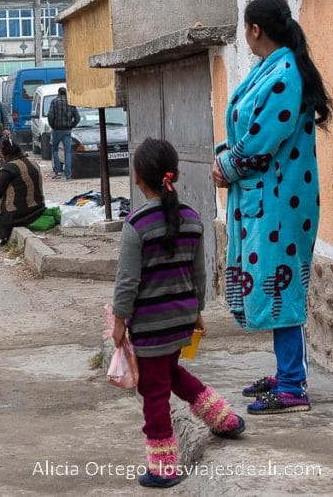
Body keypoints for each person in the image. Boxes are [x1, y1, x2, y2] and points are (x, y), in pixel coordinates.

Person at [213, 0, 332, 415]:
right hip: (268, 198)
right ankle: (286, 373)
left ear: (254, 30)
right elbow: (248, 131)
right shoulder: (272, 68)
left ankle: (293, 385)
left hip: (282, 202)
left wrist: (226, 166)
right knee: (273, 282)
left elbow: (261, 142)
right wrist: (226, 158)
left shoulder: (284, 76)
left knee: (283, 287)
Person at [113, 138, 245, 488]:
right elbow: (198, 274)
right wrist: (196, 311)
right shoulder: (192, 218)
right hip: (181, 321)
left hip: (151, 325)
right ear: (175, 174)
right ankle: (223, 418)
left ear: (138, 177)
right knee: (169, 373)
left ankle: (163, 466)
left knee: (154, 392)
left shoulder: (136, 224)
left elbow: (127, 281)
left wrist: (119, 321)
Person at [0, 138, 45, 246]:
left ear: (6, 155)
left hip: (19, 214)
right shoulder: (32, 162)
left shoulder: (8, 169)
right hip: (37, 210)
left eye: (2, 156)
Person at [47, 87, 81, 180]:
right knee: (68, 152)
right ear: (66, 93)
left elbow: (50, 116)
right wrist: (72, 125)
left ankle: (57, 172)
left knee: (55, 150)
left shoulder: (54, 102)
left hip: (57, 130)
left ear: (58, 93)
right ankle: (68, 175)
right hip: (67, 130)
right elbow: (77, 118)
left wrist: (52, 126)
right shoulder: (71, 102)